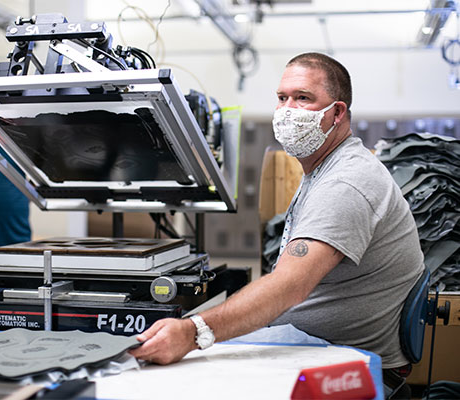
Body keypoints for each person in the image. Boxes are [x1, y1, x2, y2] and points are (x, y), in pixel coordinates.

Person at [130, 53, 424, 375]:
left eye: (303, 99)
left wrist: (193, 332)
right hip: (311, 344)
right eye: (282, 98)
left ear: (337, 112)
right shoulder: (323, 169)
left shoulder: (346, 182)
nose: (287, 111)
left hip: (346, 362)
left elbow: (289, 286)